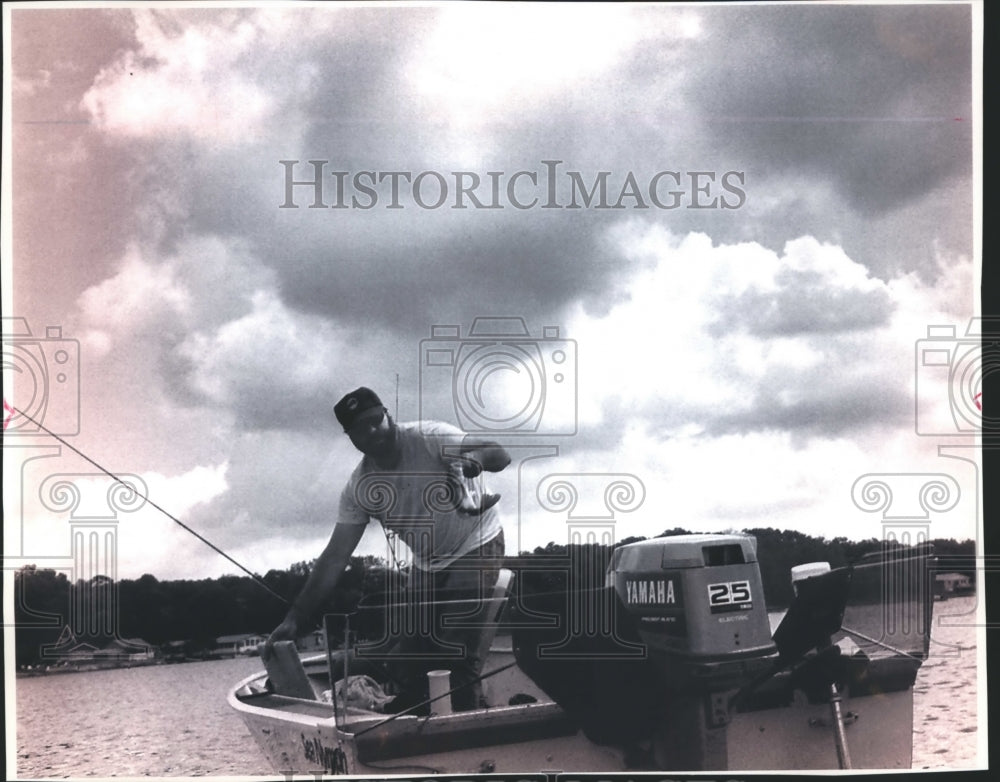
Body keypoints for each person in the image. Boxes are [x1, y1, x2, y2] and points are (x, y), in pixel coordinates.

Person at [262, 386, 511, 711]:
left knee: (454, 649)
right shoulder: (360, 487)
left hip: (477, 540)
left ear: (388, 415)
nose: (371, 432)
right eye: (359, 429)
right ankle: (413, 713)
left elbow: (500, 454)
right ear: (350, 437)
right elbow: (335, 557)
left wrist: (473, 460)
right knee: (408, 653)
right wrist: (296, 618)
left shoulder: (431, 438)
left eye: (375, 421)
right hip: (427, 562)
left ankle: (462, 720)